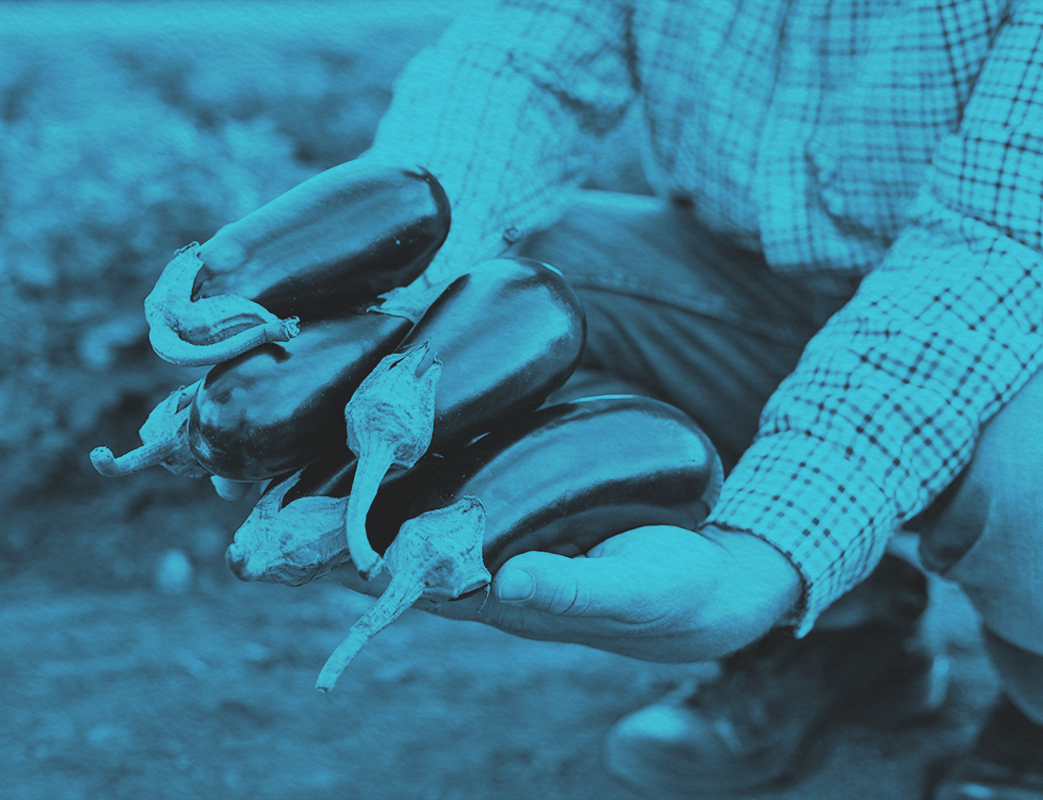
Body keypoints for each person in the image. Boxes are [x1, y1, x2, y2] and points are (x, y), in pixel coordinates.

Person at [293, 1, 1043, 797]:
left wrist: (764, 550)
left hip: (1013, 310)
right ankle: (846, 641)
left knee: (1026, 481)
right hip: (748, 284)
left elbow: (995, 245)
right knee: (497, 302)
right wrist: (396, 301)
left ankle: (1037, 712)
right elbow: (521, 67)